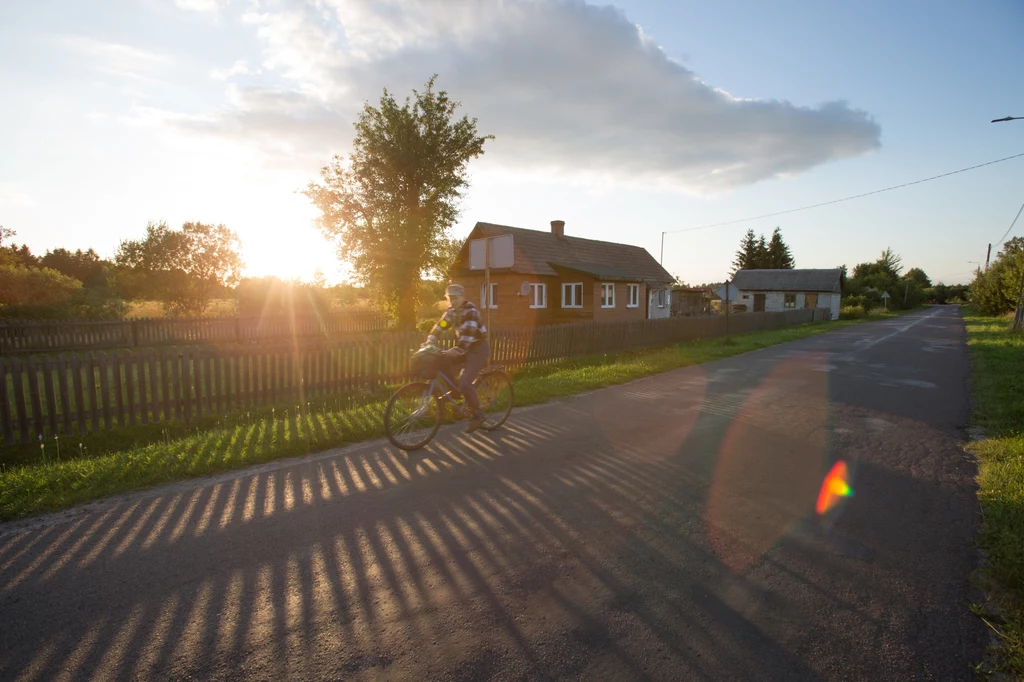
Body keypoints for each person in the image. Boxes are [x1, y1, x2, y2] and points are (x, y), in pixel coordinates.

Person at [425, 283, 490, 433]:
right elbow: (441, 324)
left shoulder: (471, 311)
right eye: (450, 298)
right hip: (464, 347)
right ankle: (455, 394)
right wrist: (431, 337)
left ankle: (478, 415)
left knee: (465, 382)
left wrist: (458, 350)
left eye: (455, 298)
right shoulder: (451, 311)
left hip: (478, 348)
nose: (452, 301)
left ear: (462, 297)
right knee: (442, 361)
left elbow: (468, 334)